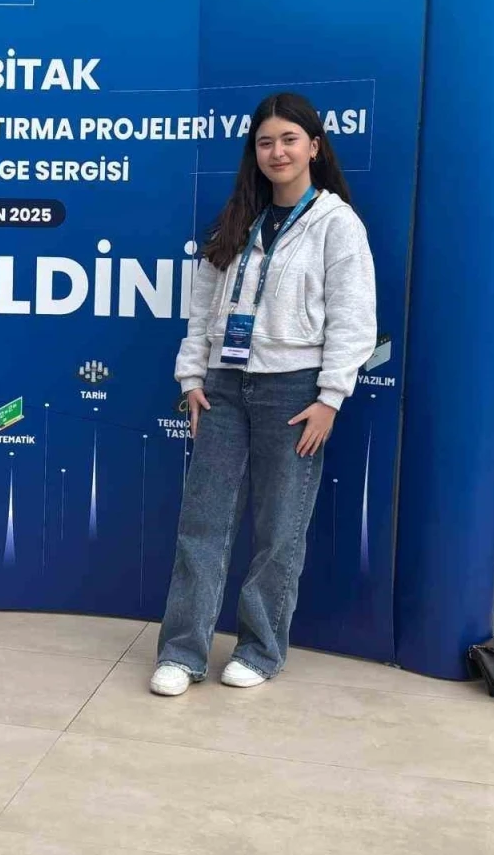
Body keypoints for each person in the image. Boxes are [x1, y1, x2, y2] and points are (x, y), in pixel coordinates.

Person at [151, 92, 376, 696]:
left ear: (314, 147)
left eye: (289, 140)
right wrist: (192, 378)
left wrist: (330, 397)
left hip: (295, 392)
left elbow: (355, 319)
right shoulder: (238, 219)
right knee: (203, 523)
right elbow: (202, 310)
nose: (277, 152)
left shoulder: (336, 223)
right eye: (265, 142)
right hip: (223, 387)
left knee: (280, 531)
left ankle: (260, 650)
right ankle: (182, 652)